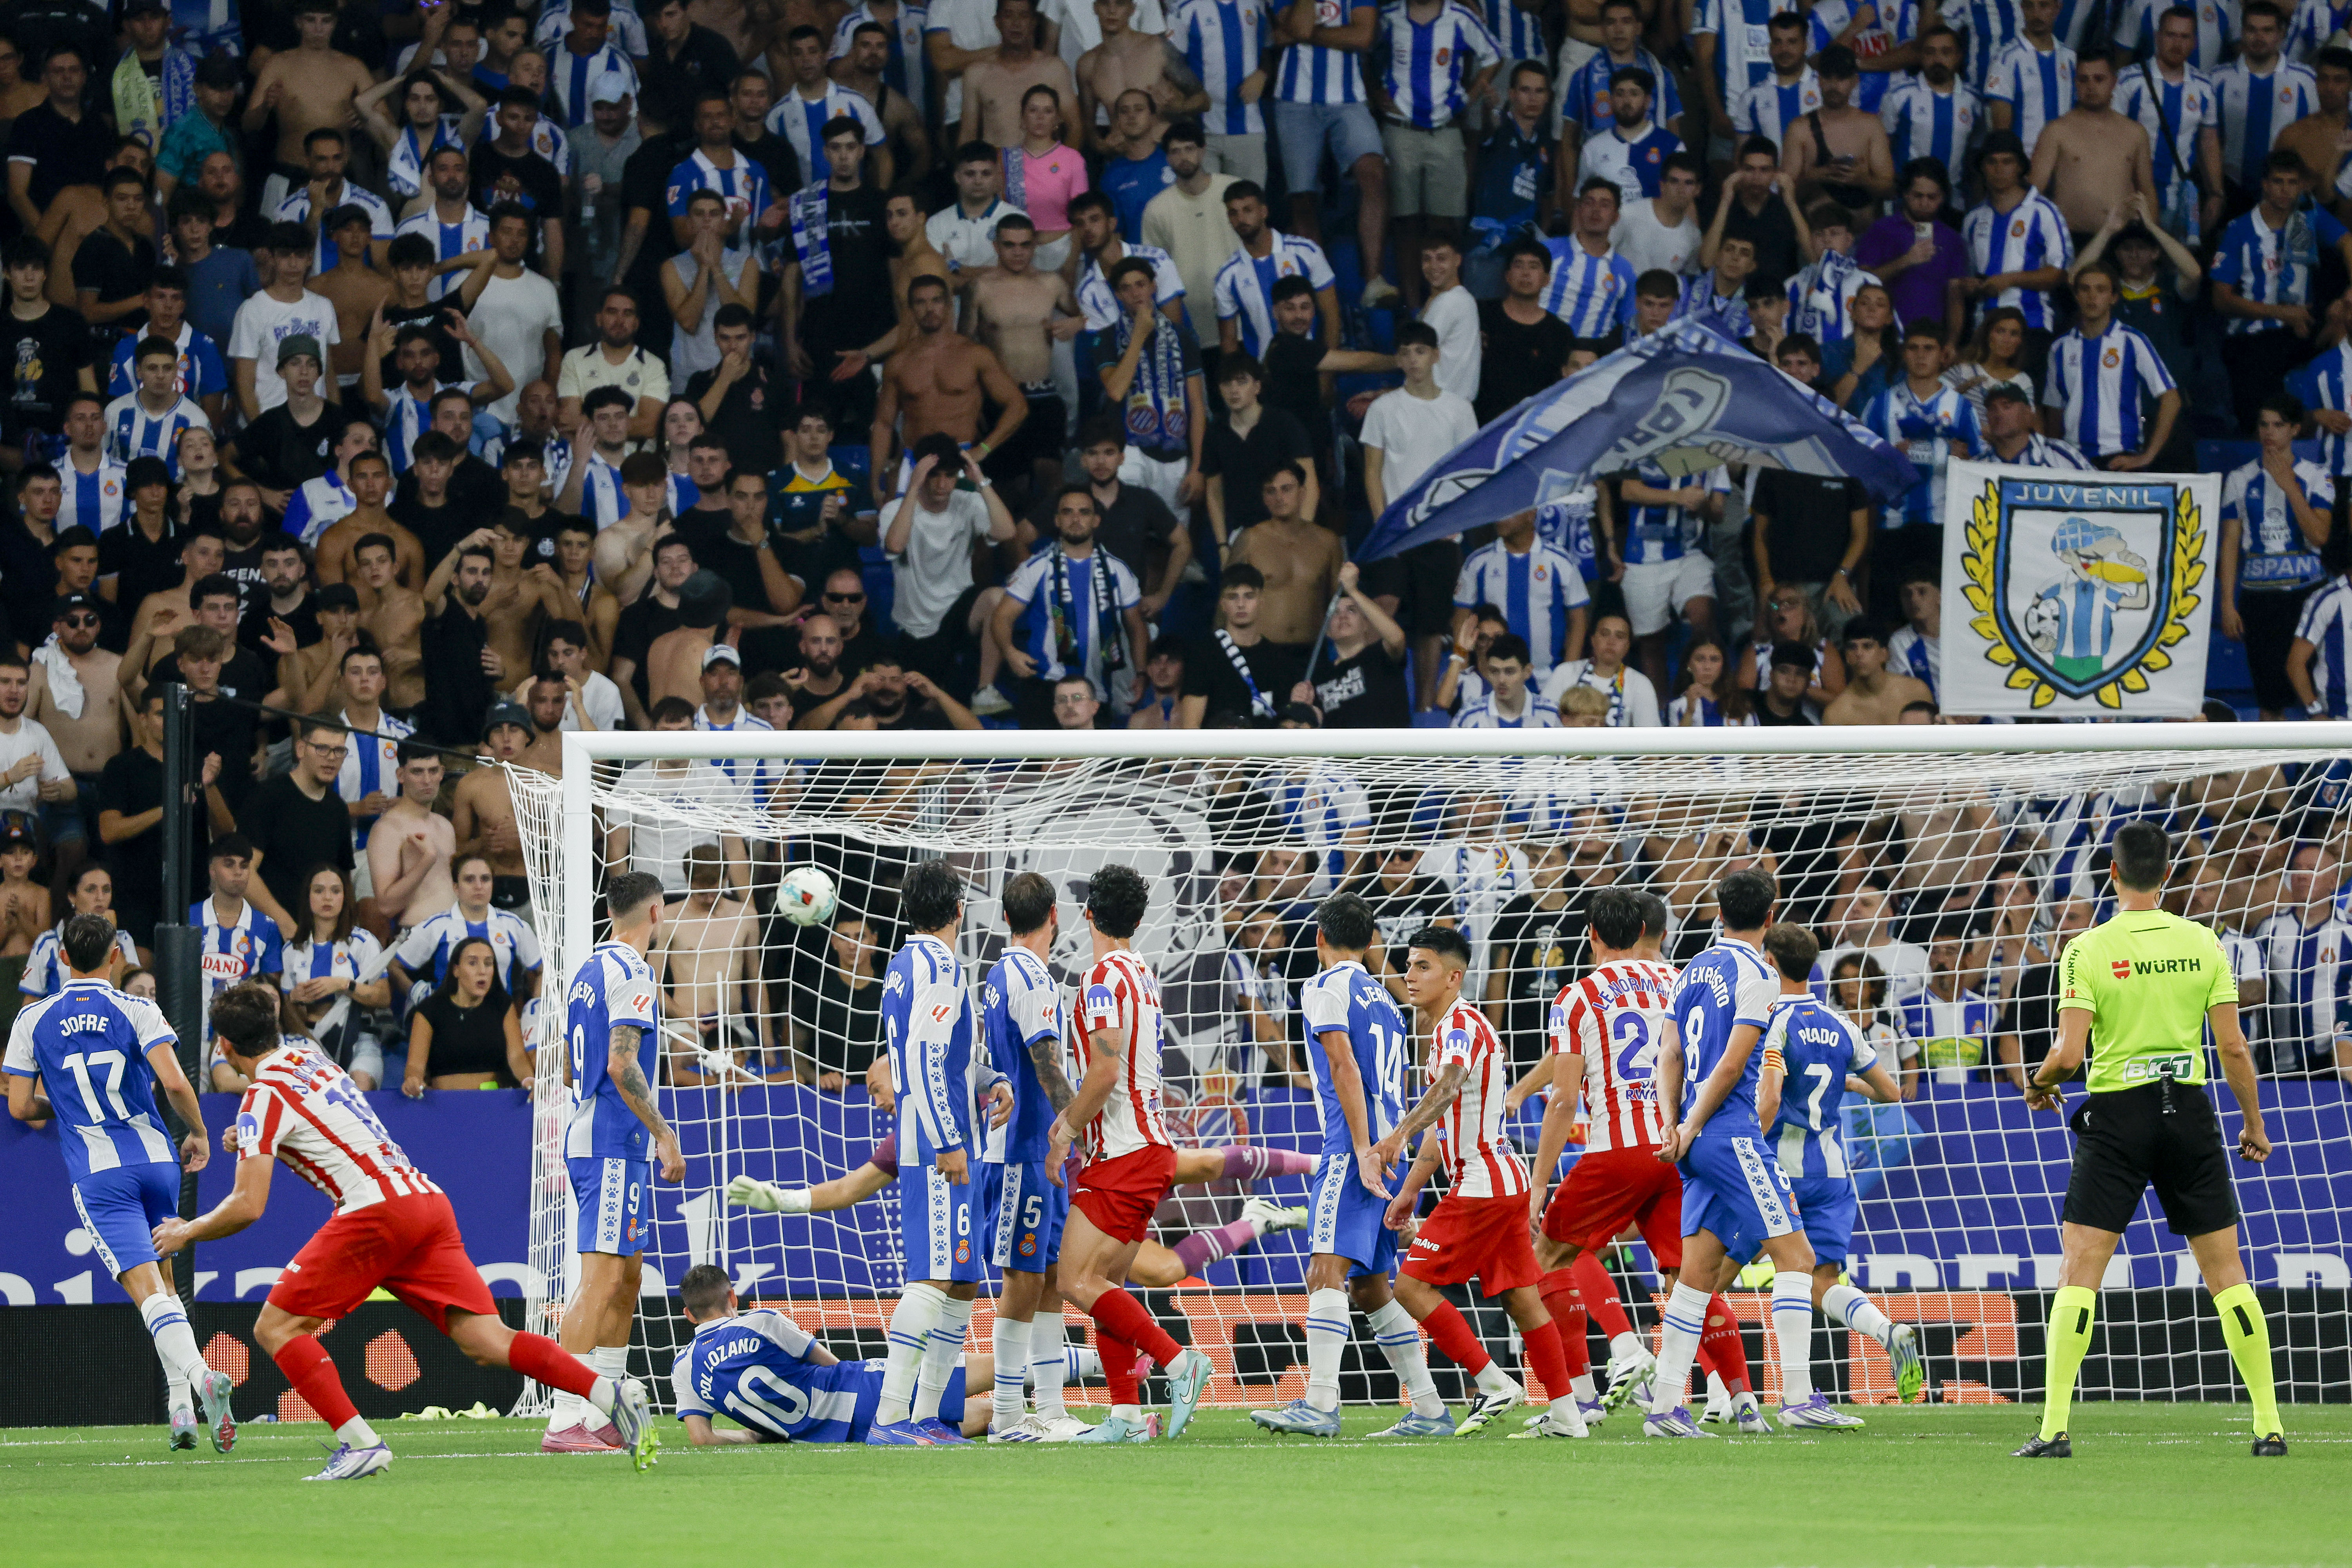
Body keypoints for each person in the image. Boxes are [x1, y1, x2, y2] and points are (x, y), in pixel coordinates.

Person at [159, 981, 655, 1480]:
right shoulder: (310, 1061)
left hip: (375, 1211)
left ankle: (360, 1444)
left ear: (224, 1045)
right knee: (488, 1340)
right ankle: (609, 1394)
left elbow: (248, 1205)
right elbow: (320, 1120)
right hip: (425, 1200)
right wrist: (251, 1135)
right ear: (275, 1026)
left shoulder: (262, 1097)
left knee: (276, 1327)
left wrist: (186, 1231)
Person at [2016, 822, 2281, 1458]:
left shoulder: (2087, 948)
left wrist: (2038, 1083)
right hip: (2187, 1109)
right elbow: (2234, 1048)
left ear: (2112, 873)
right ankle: (2269, 1426)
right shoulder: (2205, 943)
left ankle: (2054, 1429)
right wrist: (2253, 1122)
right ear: (2168, 874)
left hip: (2118, 1116)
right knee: (2227, 1272)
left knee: (2081, 1268)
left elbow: (2069, 1055)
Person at [4, 912, 229, 1453]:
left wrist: (65, 1107)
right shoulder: (138, 1008)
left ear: (62, 957)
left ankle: (202, 1377)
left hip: (100, 1172)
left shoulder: (32, 1019)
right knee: (167, 1282)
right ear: (115, 956)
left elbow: (19, 1107)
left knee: (147, 1292)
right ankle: (181, 1410)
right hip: (156, 1159)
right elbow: (175, 1082)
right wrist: (199, 1132)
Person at [1367, 923, 1579, 1437]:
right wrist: (1412, 1188)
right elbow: (1445, 1122)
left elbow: (1449, 1085)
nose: (1410, 976)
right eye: (1409, 965)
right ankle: (1568, 1416)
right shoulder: (1456, 1025)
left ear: (1454, 976)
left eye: (1423, 966)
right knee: (1522, 1300)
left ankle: (1493, 1383)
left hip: (1482, 1184)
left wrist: (1397, 1135)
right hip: (1504, 1180)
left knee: (1410, 1286)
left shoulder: (1457, 1026)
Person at [1252, 891, 1450, 1436]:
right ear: (1371, 944)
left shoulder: (1324, 985)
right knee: (1370, 1287)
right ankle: (1430, 1408)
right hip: (1392, 1147)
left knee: (1325, 1270)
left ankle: (1319, 1403)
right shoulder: (1388, 1000)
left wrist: (1361, 1149)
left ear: (1320, 939)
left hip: (1353, 1148)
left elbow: (1343, 1065)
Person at [1644, 869, 1835, 1435]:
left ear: (1719, 911)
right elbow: (1730, 1066)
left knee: (1696, 1278)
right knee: (1798, 1258)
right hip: (1731, 1135)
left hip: (1695, 1140)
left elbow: (1669, 1053)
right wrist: (1694, 1122)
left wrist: (1673, 1124)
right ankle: (1797, 1397)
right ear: (1771, 917)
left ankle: (1665, 1407)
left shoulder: (1692, 969)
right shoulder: (1759, 974)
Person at [1033, 863, 1218, 1443]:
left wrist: (1065, 1129)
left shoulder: (1101, 979)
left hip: (1123, 1153)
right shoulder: (1141, 972)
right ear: (1138, 920)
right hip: (1149, 1148)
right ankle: (1126, 1417)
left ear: (1088, 913)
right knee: (1106, 1286)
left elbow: (1106, 1071)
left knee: (1074, 1279)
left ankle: (1180, 1362)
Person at [1522, 888, 1706, 1426]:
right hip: (1680, 1146)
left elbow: (1563, 1098)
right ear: (1647, 931)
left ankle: (1583, 1394)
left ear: (1592, 935)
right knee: (1685, 1277)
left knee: (1547, 1255)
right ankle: (1687, 1403)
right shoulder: (1680, 983)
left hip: (1619, 1149)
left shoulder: (1576, 996)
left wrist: (1539, 1182)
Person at [539, 871, 681, 1454]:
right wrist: (664, 1134)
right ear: (656, 913)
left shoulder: (589, 971)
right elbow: (622, 1065)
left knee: (627, 1277)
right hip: (611, 1144)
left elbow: (570, 1066)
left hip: (605, 1139)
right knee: (600, 1281)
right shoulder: (635, 972)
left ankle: (604, 1409)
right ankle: (564, 1416)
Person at [1752, 922, 1925, 1399]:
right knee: (1820, 1283)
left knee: (1709, 1276)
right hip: (1831, 1174)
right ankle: (1887, 1330)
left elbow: (1769, 1096)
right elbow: (1891, 1093)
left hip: (1776, 1172)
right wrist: (1848, 1082)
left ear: (1770, 963)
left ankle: (1727, 1396)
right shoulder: (1842, 1025)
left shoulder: (1770, 1021)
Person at [2212, 149, 2350, 436]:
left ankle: (2341, 404)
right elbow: (2221, 299)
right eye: (2278, 181)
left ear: (2301, 185)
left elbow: (2348, 242)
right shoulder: (2239, 230)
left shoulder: (2308, 215)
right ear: (2265, 185)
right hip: (2254, 335)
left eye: (2292, 182)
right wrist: (2281, 313)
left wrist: (2349, 295)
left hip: (2302, 326)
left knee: (2342, 318)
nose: (2285, 190)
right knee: (2262, 418)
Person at [992, 483, 1147, 725]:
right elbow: (1002, 616)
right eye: (1068, 512)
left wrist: (1141, 672)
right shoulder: (1035, 567)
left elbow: (1136, 627)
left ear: (1096, 521)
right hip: (1044, 686)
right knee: (1041, 752)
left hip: (1097, 690)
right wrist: (1009, 652)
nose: (1076, 519)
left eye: (1084, 512)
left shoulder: (1118, 571)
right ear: (1057, 520)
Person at [2220, 392, 2334, 718]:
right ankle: (2272, 755)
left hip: (2307, 595)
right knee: (2269, 700)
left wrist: (2290, 486)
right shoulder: (2239, 479)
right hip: (2259, 598)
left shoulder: (2318, 476)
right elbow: (2230, 543)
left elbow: (2320, 536)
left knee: (2317, 692)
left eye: (2279, 425)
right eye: (2264, 425)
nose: (2269, 432)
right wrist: (2227, 603)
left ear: (2295, 430)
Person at [2042, 262, 2180, 470]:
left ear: (2114, 297)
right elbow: (2054, 409)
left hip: (2119, 458)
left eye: (2101, 290)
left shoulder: (2132, 341)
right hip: (2072, 460)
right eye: (2085, 289)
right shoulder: (2060, 348)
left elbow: (2171, 397)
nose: (2092, 297)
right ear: (2076, 296)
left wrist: (2147, 457)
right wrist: (2055, 458)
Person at [1958, 131, 2073, 374]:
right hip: (1984, 328)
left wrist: (2010, 280)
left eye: (2007, 162)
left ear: (2020, 167)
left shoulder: (2044, 212)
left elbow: (2060, 273)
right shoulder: (1973, 219)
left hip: (2031, 326)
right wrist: (1972, 286)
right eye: (1992, 162)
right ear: (1982, 168)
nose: (1999, 169)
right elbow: (1969, 276)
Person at [281, 863, 390, 1087]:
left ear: (345, 897)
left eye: (336, 891)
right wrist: (294, 999)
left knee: (359, 1086)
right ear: (308, 898)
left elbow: (383, 997)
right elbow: (287, 1014)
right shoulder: (292, 949)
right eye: (319, 891)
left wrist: (343, 984)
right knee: (301, 1089)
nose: (327, 898)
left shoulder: (363, 942)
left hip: (359, 1036)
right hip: (308, 1038)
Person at [2029, 53, 2155, 239]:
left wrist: (2153, 238)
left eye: (2099, 79)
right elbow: (2034, 191)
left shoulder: (2136, 133)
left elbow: (2147, 191)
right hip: (2072, 237)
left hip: (2123, 240)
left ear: (2114, 82)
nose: (2091, 87)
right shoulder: (2056, 131)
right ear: (2076, 83)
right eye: (2083, 80)